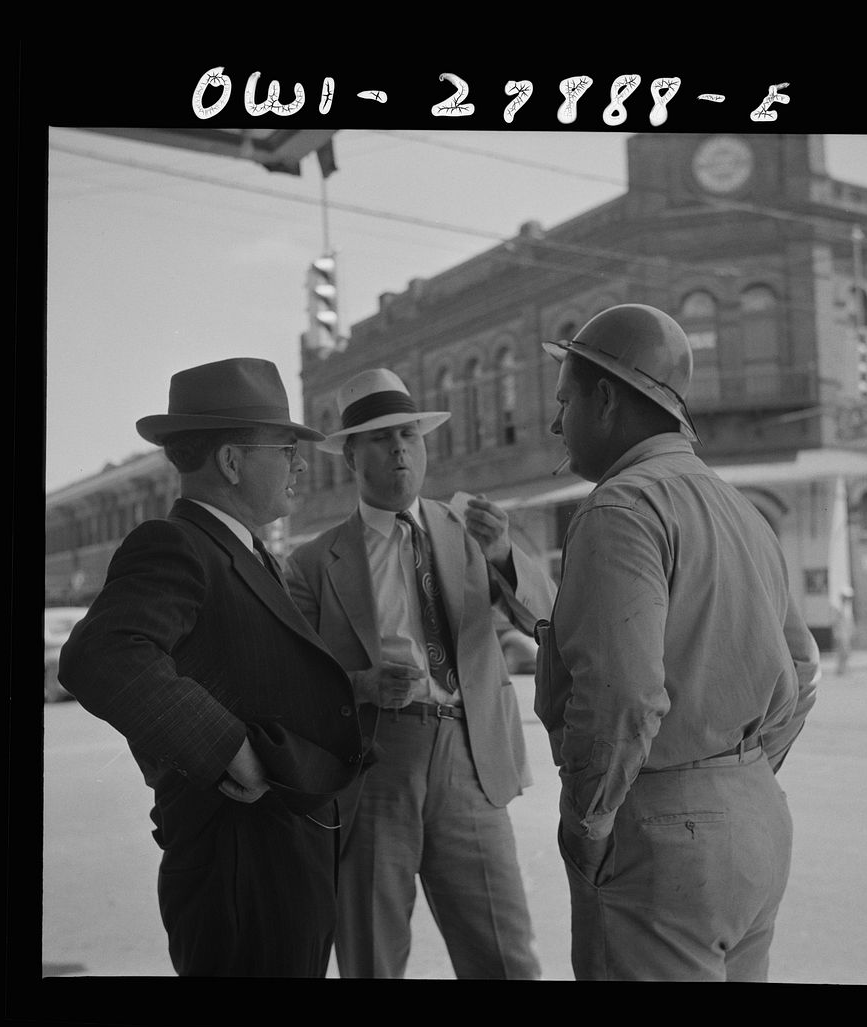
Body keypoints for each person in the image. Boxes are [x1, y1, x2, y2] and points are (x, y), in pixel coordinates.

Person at [534, 304, 821, 981]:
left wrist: (588, 823)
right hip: (756, 817)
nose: (555, 423)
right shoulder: (738, 507)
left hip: (661, 833)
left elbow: (623, 697)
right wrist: (732, 773)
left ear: (605, 399)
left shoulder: (619, 508)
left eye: (564, 400)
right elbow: (803, 667)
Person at [58, 357, 367, 978]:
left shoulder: (244, 550)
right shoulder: (177, 544)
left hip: (275, 853)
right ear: (231, 462)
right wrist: (228, 747)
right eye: (285, 448)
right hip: (239, 866)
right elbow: (102, 653)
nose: (300, 464)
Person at [285, 368, 556, 979]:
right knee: (372, 957)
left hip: (470, 754)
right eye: (380, 439)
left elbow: (547, 617)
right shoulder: (311, 563)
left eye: (409, 433)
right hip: (374, 761)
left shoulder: (472, 531)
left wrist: (504, 555)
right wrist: (358, 686)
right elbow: (291, 680)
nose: (400, 449)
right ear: (351, 455)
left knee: (506, 957)